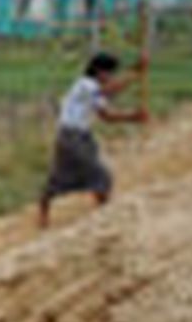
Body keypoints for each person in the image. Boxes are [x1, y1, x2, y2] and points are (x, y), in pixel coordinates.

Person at [38, 51, 147, 229]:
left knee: (64, 175)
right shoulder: (85, 85)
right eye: (109, 73)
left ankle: (97, 209)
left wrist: (132, 117)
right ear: (98, 71)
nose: (111, 77)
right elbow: (110, 91)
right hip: (71, 137)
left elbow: (107, 116)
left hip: (79, 137)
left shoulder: (95, 92)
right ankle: (102, 213)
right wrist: (135, 73)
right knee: (99, 175)